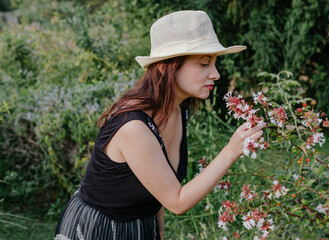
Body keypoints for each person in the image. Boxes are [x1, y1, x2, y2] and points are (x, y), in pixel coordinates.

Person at [54, 10, 265, 240]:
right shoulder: (133, 127)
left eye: (214, 63)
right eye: (204, 63)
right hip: (100, 229)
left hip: (142, 225)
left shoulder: (177, 108)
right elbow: (177, 201)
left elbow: (159, 185)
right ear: (166, 67)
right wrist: (232, 150)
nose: (215, 73)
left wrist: (159, 233)